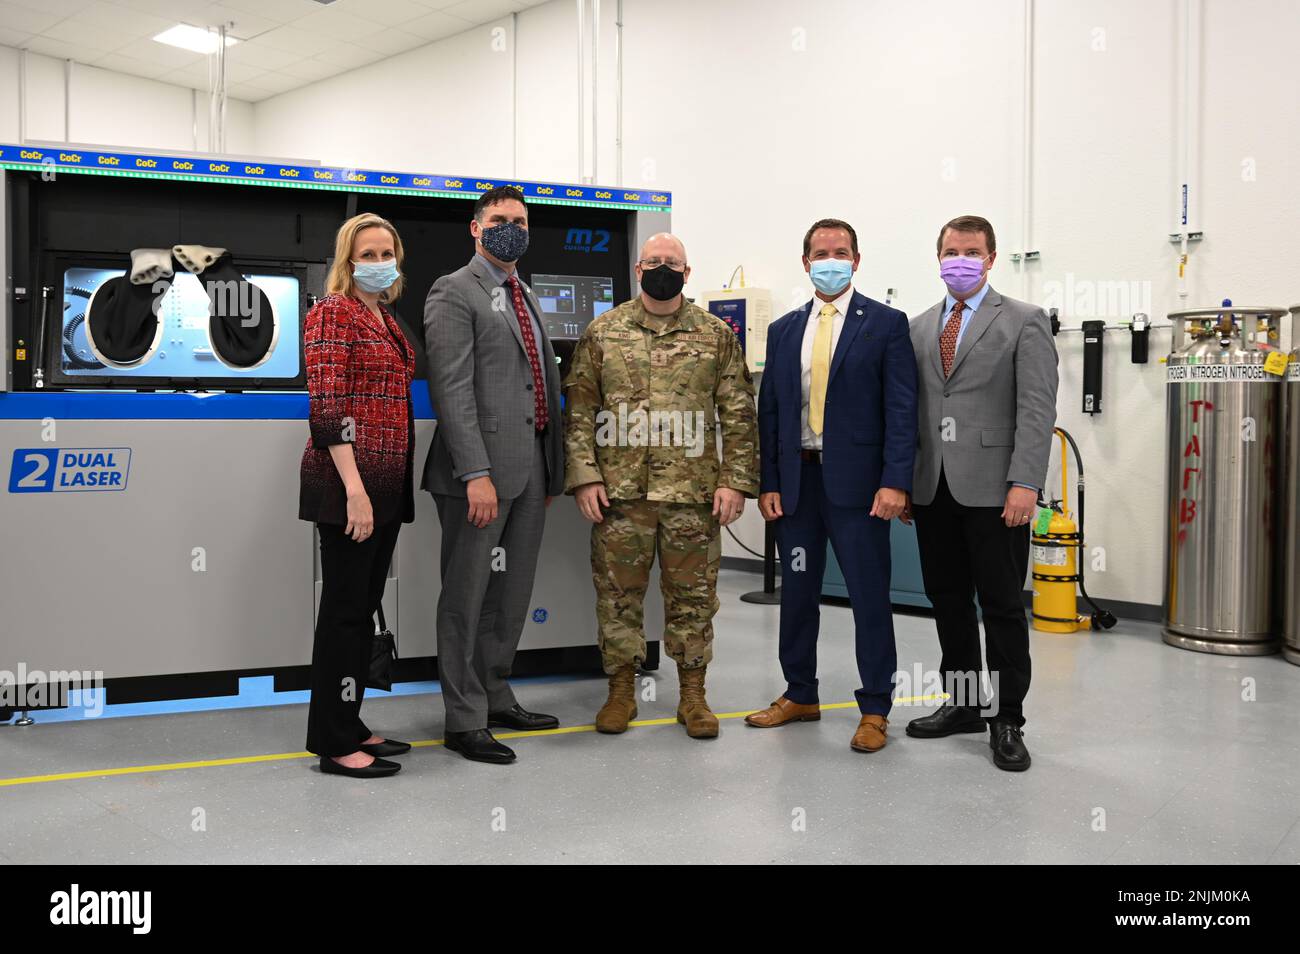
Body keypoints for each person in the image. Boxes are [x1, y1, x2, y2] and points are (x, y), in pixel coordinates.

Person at [564, 233, 758, 739]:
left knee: (693, 597)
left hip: (693, 495)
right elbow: (581, 410)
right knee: (617, 597)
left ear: (688, 273)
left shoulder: (716, 334)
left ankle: (692, 695)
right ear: (638, 268)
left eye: (673, 263)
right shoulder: (603, 332)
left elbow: (738, 413)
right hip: (620, 496)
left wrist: (735, 482)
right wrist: (584, 475)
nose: (663, 268)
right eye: (655, 261)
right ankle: (621, 692)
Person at [746, 218, 917, 753]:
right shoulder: (784, 329)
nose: (830, 259)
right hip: (798, 486)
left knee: (868, 597)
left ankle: (873, 708)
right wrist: (768, 481)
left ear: (857, 260)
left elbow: (901, 408)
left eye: (840, 251)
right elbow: (770, 410)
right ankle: (800, 693)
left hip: (861, 490)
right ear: (805, 263)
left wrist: (895, 482)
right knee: (797, 593)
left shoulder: (886, 324)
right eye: (820, 252)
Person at [902, 214, 1058, 772]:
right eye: (951, 250)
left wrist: (1025, 484)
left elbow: (1037, 411)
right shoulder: (918, 327)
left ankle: (1009, 718)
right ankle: (965, 704)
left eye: (972, 251)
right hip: (933, 489)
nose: (960, 259)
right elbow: (911, 411)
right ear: (937, 256)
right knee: (947, 603)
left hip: (997, 493)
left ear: (991, 258)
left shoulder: (1024, 321)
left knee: (1002, 608)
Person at [422, 186, 563, 765]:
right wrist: (475, 471)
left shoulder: (523, 291)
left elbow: (535, 381)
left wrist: (549, 471)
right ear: (475, 228)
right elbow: (451, 389)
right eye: (501, 220)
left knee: (511, 594)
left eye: (521, 221)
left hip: (529, 469)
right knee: (467, 594)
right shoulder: (454, 291)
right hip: (476, 474)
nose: (512, 229)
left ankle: (496, 694)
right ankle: (463, 718)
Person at [301, 213, 416, 779]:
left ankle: (351, 721)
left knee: (363, 606)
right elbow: (327, 408)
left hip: (385, 480)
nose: (377, 263)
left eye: (385, 253)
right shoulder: (332, 313)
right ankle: (333, 741)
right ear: (346, 263)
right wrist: (355, 491)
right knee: (344, 615)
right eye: (366, 255)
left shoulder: (383, 315)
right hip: (350, 484)